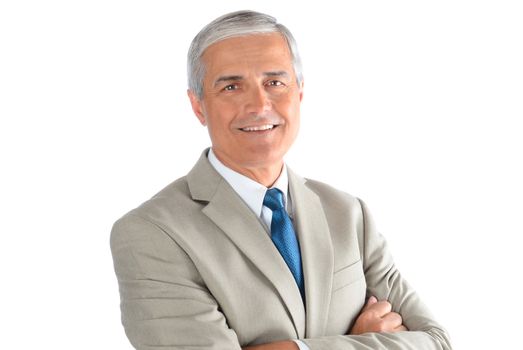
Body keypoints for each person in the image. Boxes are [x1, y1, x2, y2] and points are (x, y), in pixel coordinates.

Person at [110, 10, 451, 350]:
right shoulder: (152, 233)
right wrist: (355, 341)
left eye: (274, 83)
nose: (259, 104)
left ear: (299, 93)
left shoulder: (349, 215)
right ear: (198, 106)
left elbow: (436, 341)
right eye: (231, 86)